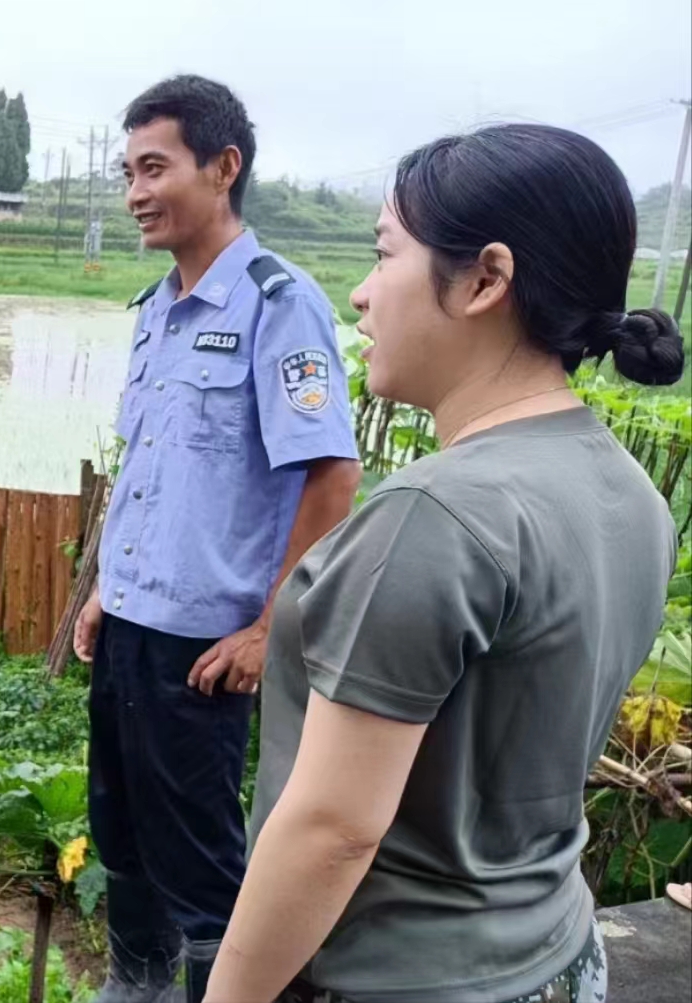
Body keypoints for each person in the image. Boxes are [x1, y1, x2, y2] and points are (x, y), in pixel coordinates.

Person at [208, 125, 685, 1003]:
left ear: (485, 280)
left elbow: (333, 828)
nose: (359, 294)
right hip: (562, 956)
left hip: (404, 979)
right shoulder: (629, 494)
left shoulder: (435, 515)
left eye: (384, 254)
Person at [75, 75, 362, 1003]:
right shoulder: (157, 308)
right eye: (127, 172)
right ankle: (136, 986)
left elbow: (333, 476)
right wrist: (102, 591)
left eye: (154, 168)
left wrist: (267, 626)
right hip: (129, 621)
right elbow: (151, 465)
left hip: (204, 643)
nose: (134, 194)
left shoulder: (279, 305)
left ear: (223, 167)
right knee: (118, 828)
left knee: (198, 851)